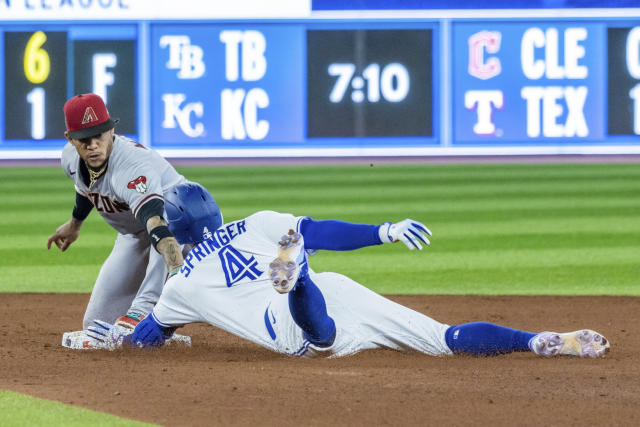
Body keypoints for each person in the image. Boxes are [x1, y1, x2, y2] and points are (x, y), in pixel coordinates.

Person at [87, 184, 610, 359]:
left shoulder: (178, 286)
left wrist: (121, 338)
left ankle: (299, 280)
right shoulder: (258, 222)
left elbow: (147, 339)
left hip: (289, 320)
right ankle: (538, 339)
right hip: (339, 286)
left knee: (320, 339)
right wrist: (383, 230)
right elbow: (323, 228)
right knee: (442, 336)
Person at [47, 93, 198, 337]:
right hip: (135, 234)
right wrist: (75, 224)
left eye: (99, 134)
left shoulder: (132, 166)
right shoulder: (70, 158)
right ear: (70, 139)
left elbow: (156, 223)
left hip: (182, 228)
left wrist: (175, 269)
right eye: (84, 139)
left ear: (111, 131)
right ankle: (161, 320)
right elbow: (84, 189)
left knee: (168, 225)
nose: (93, 144)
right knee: (97, 325)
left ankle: (150, 310)